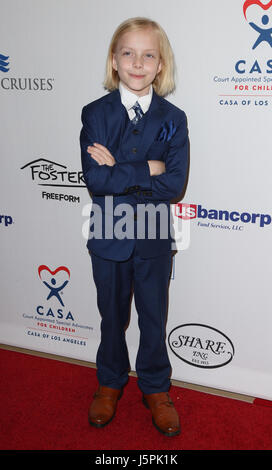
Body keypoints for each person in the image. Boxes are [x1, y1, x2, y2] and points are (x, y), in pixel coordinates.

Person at [80, 17, 189, 437]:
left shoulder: (174, 118)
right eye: (128, 53)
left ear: (160, 65)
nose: (137, 63)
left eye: (148, 55)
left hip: (154, 236)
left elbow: (174, 184)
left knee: (153, 317)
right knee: (111, 316)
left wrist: (122, 170)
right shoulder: (96, 113)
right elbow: (96, 180)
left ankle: (156, 389)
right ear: (114, 60)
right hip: (108, 234)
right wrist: (148, 167)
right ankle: (109, 382)